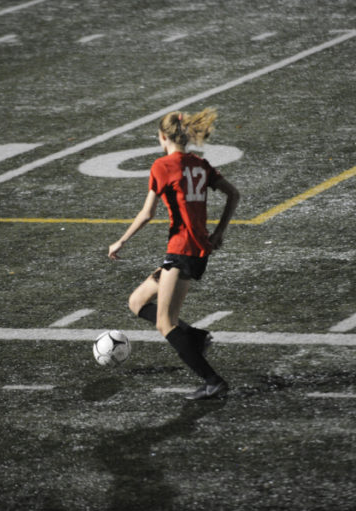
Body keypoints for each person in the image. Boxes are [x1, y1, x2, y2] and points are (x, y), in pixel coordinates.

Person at [108, 108, 240, 400]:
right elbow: (234, 194)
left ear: (162, 137)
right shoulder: (200, 164)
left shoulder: (162, 166)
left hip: (182, 250)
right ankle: (195, 337)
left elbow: (147, 213)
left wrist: (121, 241)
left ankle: (212, 380)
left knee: (165, 323)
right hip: (193, 250)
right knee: (137, 301)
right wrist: (219, 233)